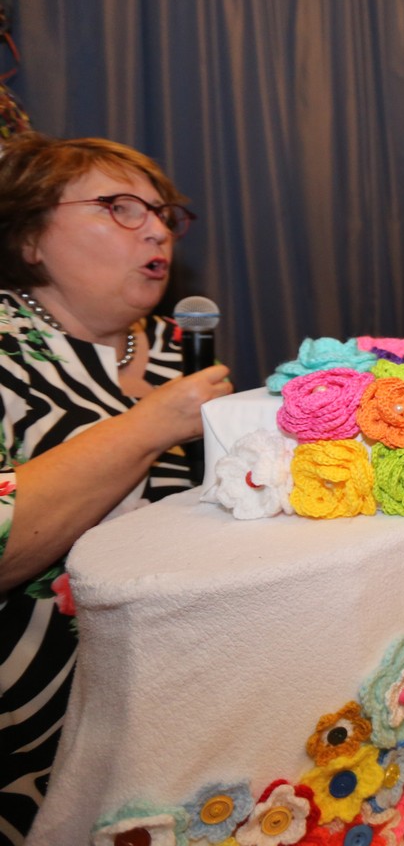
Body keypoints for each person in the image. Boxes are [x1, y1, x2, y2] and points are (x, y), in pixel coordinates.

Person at [0, 133, 233, 836]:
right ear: (31, 237)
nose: (156, 230)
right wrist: (147, 427)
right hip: (34, 733)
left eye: (162, 213)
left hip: (186, 707)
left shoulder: (178, 347)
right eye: (119, 207)